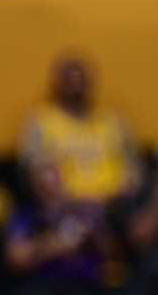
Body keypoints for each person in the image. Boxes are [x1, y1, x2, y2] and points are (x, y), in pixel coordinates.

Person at [19, 54, 140, 205]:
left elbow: (132, 165)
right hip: (66, 206)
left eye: (80, 80)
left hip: (114, 204)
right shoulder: (41, 122)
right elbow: (35, 169)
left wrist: (124, 190)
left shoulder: (113, 121)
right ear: (57, 84)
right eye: (69, 81)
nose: (76, 86)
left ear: (90, 83)